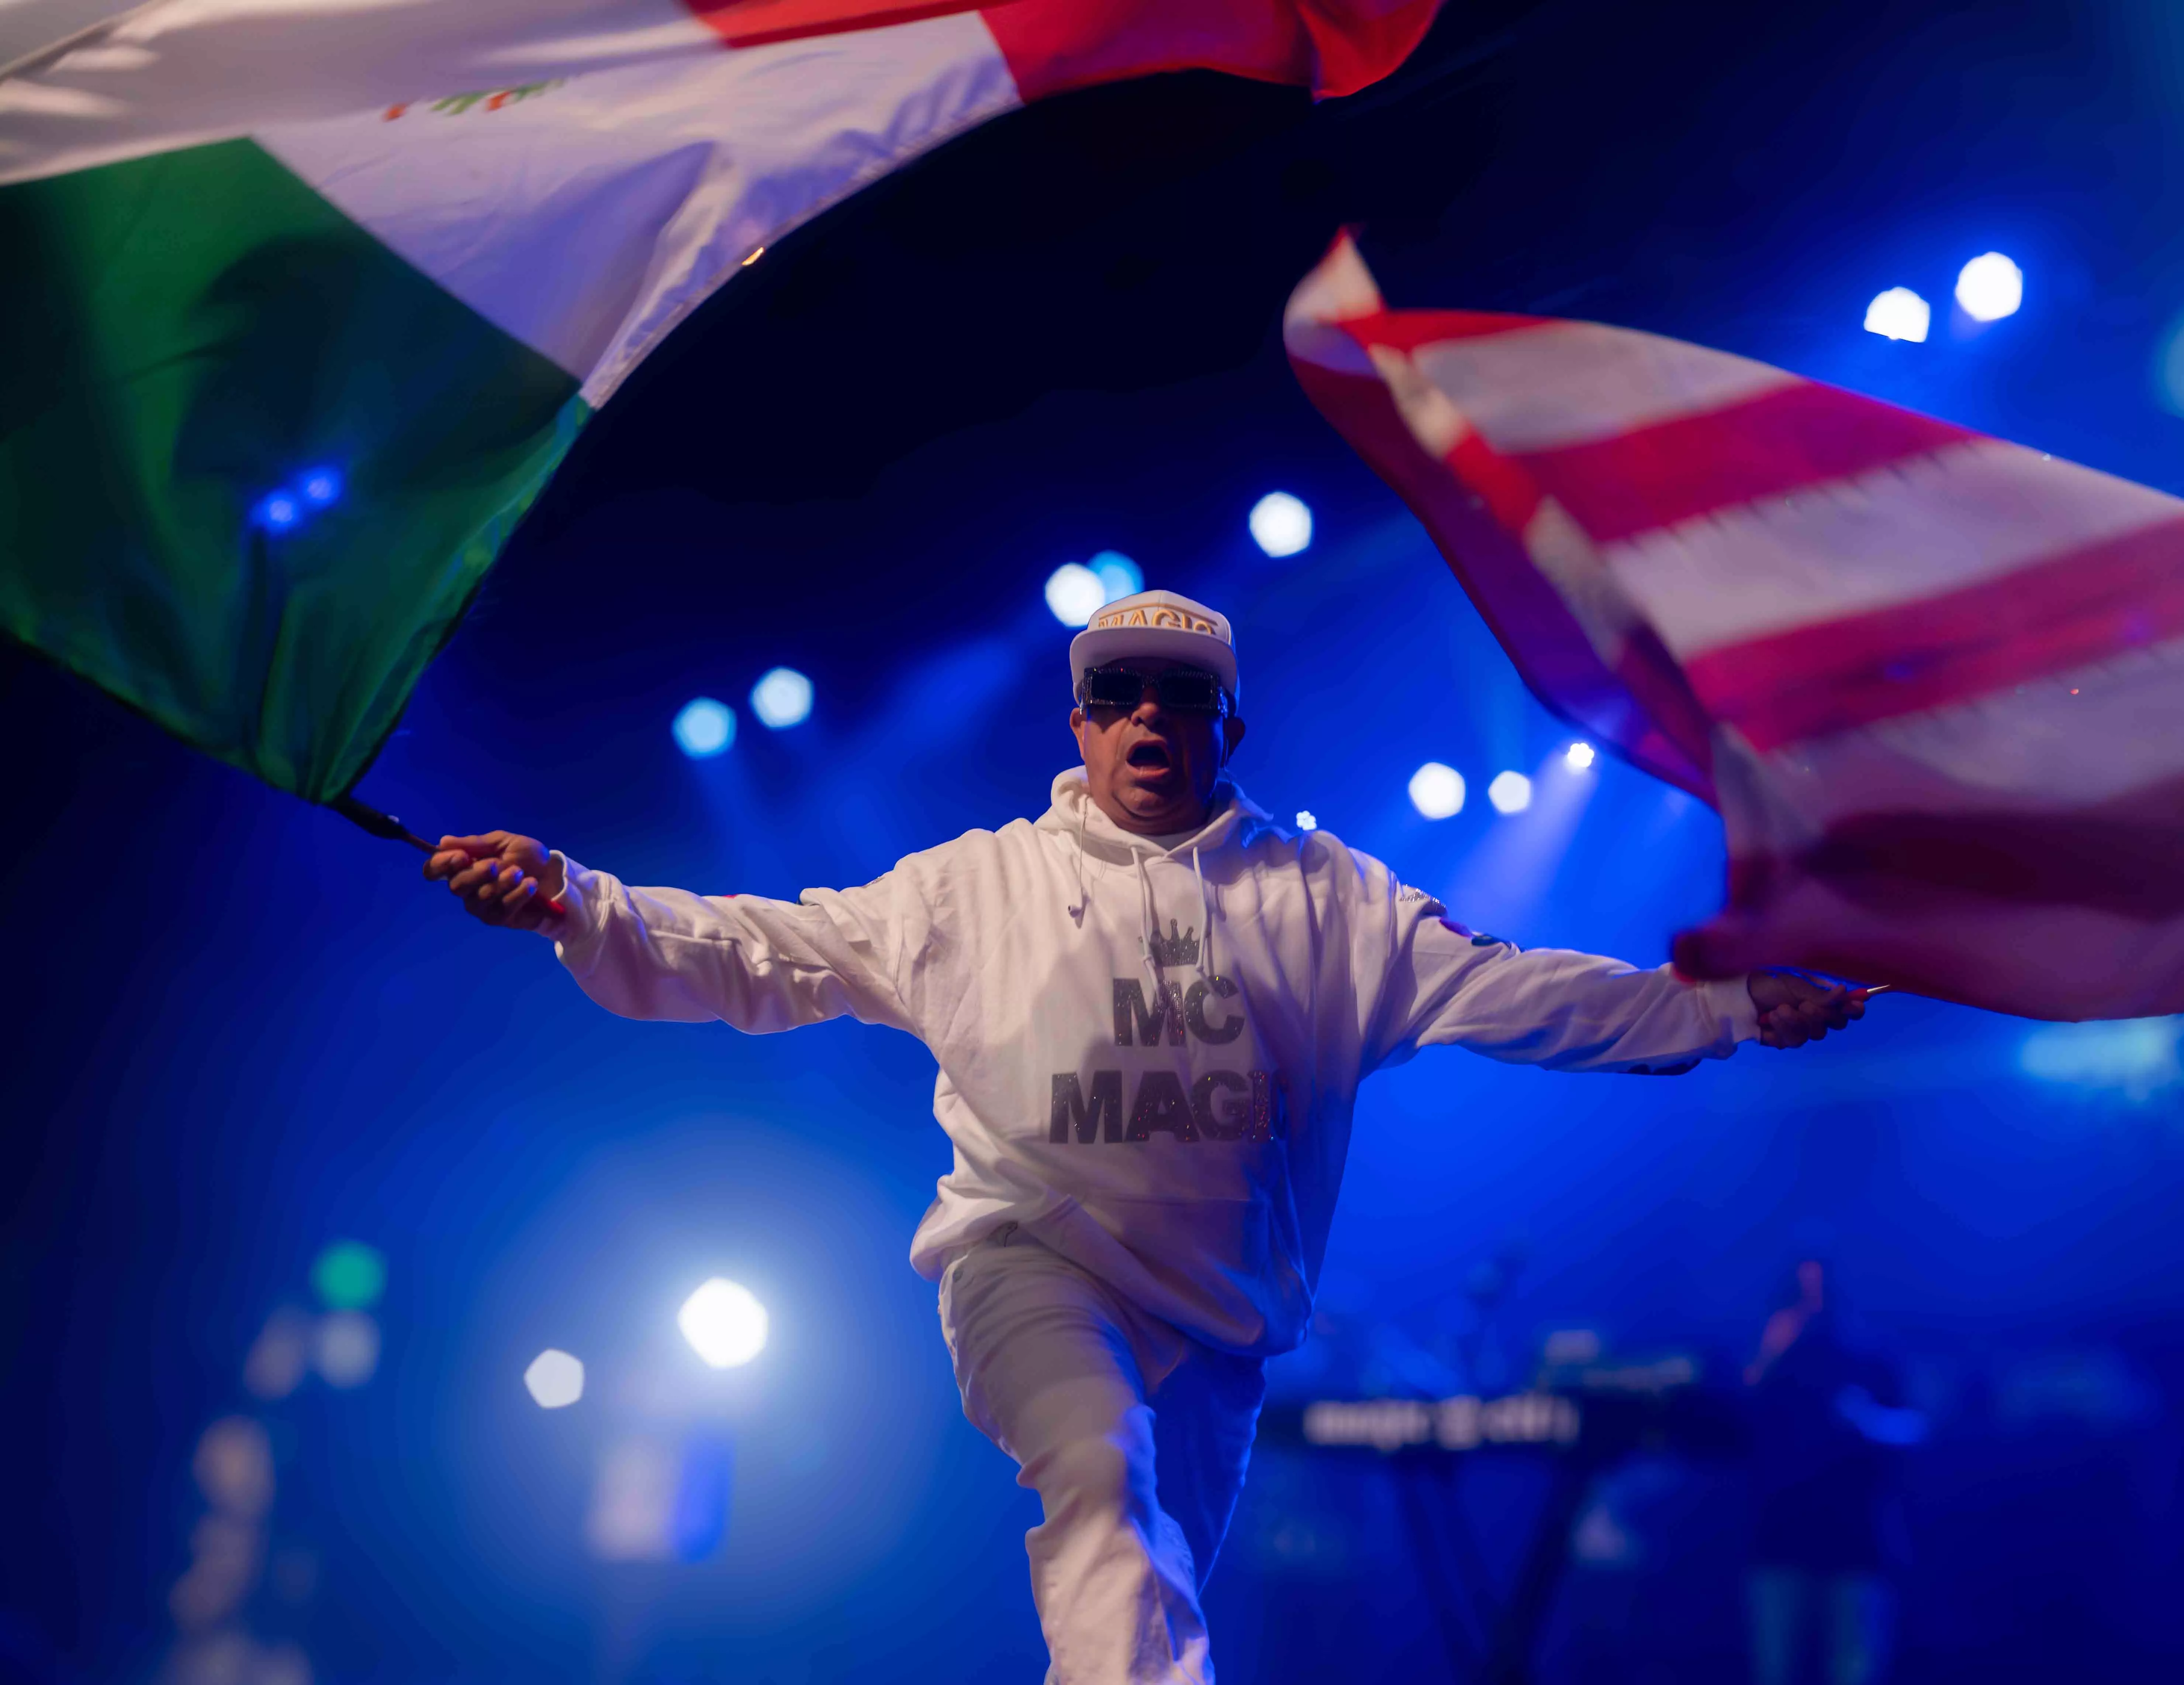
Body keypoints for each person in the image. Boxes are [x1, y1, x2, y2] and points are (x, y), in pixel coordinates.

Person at [426, 588, 1865, 1683]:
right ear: (1077, 721)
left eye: (1180, 696)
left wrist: (1733, 1003)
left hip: (1219, 1323)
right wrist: (573, 897)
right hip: (1027, 1264)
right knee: (1103, 1498)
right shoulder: (969, 889)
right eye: (1115, 694)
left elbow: (1528, 995)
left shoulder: (1325, 898)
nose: (1147, 720)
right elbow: (759, 950)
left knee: (1141, 1585)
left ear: (1229, 722)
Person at [1741, 1257, 1925, 1685]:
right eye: (1802, 1291)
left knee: (1855, 1669)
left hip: (1856, 1545)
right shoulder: (1771, 1358)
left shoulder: (1871, 1355)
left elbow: (1915, 1427)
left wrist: (1868, 1421)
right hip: (1777, 1543)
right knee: (1773, 1671)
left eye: (1820, 1290)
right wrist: (1770, 1351)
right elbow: (1733, 1423)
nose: (1812, 1302)